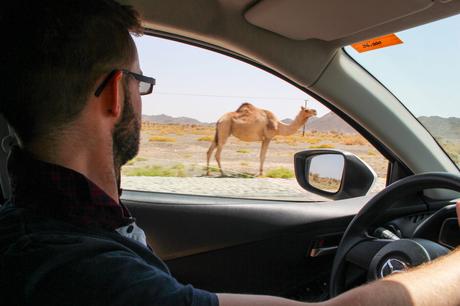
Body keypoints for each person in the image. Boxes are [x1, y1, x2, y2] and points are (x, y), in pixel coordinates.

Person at [0, 1, 458, 306]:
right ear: (117, 93)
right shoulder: (81, 272)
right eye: (142, 83)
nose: (144, 97)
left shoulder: (60, 229)